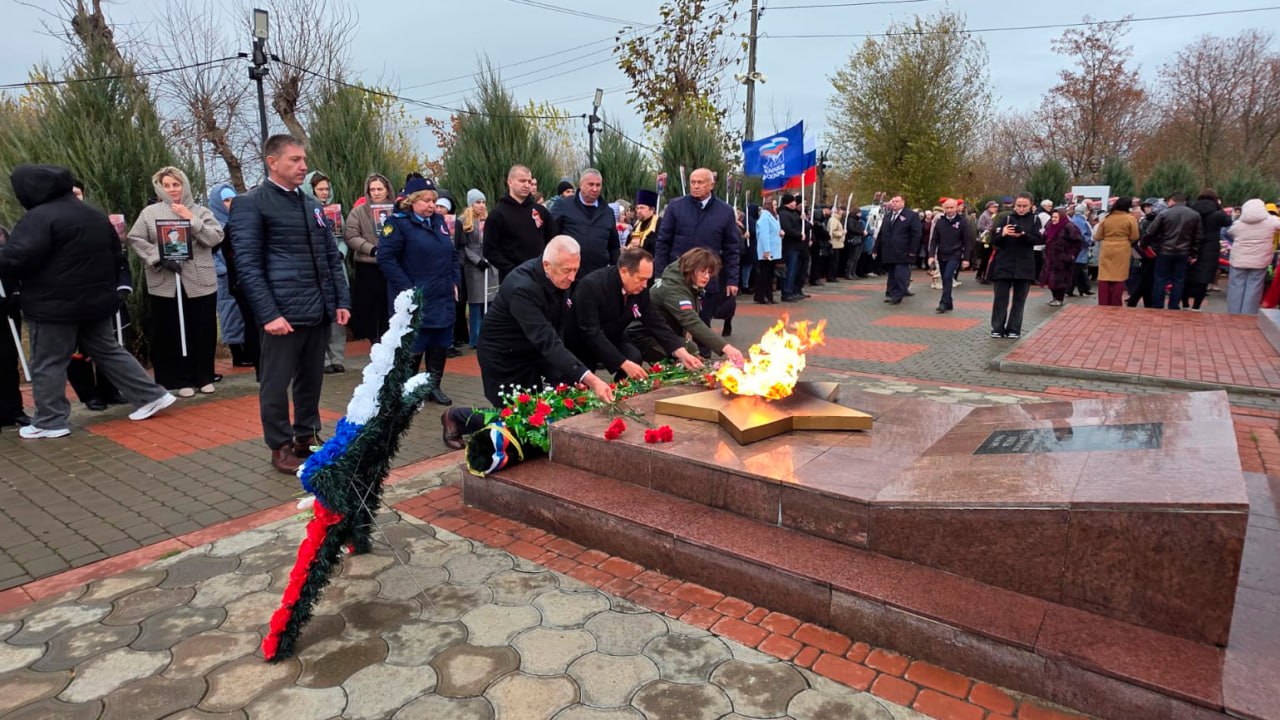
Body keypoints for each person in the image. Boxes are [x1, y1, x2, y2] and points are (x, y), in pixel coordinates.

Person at [0, 164, 176, 438]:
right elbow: (114, 255)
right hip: (97, 302)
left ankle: (50, 421)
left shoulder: (38, 218)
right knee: (108, 350)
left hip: (53, 305)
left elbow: (15, 258)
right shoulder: (93, 214)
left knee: (48, 361)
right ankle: (151, 395)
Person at [229, 135, 351, 474]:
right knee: (275, 381)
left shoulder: (312, 205)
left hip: (317, 309)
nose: (303, 166)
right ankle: (280, 444)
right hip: (281, 313)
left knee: (311, 379)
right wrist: (268, 313)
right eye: (295, 160)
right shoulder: (251, 203)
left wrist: (340, 300)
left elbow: (330, 256)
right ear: (273, 162)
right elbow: (248, 265)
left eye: (303, 159)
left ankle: (307, 436)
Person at [475, 235, 614, 406]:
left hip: (531, 351)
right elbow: (546, 340)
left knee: (541, 410)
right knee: (517, 415)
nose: (572, 277)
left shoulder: (559, 277)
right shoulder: (522, 288)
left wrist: (572, 373)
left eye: (575, 270)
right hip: (504, 356)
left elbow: (557, 330)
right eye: (566, 271)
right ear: (547, 265)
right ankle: (458, 417)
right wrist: (590, 379)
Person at [127, 166, 223, 398]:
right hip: (166, 280)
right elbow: (135, 238)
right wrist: (158, 256)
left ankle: (203, 376)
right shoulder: (150, 213)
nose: (172, 190)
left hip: (199, 279)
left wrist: (191, 220)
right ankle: (177, 378)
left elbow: (215, 236)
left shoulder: (200, 211)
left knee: (202, 328)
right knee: (171, 330)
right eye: (167, 185)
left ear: (185, 185)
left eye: (176, 184)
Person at [569, 247, 703, 380]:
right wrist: (623, 363)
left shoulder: (639, 288)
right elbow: (591, 332)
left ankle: (620, 393)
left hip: (612, 336)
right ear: (624, 271)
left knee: (633, 356)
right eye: (641, 279)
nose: (645, 285)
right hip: (582, 341)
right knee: (583, 382)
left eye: (648, 279)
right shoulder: (592, 286)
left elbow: (655, 322)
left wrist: (681, 352)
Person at [377, 188, 457, 406]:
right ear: (412, 201)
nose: (432, 205)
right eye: (426, 200)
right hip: (416, 297)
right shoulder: (398, 224)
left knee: (439, 341)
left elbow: (452, 254)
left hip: (442, 295)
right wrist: (408, 289)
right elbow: (386, 258)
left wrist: (455, 281)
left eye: (434, 201)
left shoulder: (439, 222)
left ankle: (433, 386)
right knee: (415, 343)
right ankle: (409, 387)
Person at [652, 167, 741, 336]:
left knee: (702, 325)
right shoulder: (676, 207)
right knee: (674, 325)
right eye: (692, 182)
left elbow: (732, 249)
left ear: (711, 185)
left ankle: (704, 359)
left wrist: (732, 280)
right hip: (678, 276)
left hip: (708, 278)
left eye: (700, 182)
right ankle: (676, 360)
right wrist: (659, 274)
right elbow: (663, 242)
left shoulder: (725, 211)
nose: (695, 186)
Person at [636, 247, 745, 368]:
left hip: (662, 334)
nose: (707, 276)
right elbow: (691, 321)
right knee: (686, 354)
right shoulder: (674, 289)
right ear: (690, 269)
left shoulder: (684, 281)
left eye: (709, 272)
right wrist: (726, 348)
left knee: (691, 349)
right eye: (703, 271)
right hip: (643, 335)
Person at [303, 171, 349, 373]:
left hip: (336, 265)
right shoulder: (304, 209)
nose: (323, 193)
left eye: (326, 189)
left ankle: (337, 356)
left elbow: (344, 237)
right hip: (316, 267)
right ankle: (321, 359)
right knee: (319, 314)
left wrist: (341, 253)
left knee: (338, 313)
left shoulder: (335, 211)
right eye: (319, 189)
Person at [344, 173, 395, 343]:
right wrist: (372, 249)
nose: (376, 192)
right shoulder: (358, 212)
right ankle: (375, 342)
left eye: (380, 189)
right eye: (372, 189)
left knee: (391, 307)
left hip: (392, 265)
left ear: (387, 190)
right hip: (369, 265)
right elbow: (351, 235)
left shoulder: (397, 211)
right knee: (371, 309)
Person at [484, 165, 556, 281]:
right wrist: (511, 269)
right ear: (510, 182)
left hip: (541, 276)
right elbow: (490, 250)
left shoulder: (541, 211)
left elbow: (553, 240)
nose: (527, 185)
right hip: (513, 279)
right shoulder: (497, 214)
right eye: (522, 181)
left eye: (529, 181)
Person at [209, 183, 253, 368]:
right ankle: (237, 353)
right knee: (229, 314)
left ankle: (249, 351)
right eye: (226, 200)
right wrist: (221, 268)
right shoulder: (213, 223)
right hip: (223, 277)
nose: (230, 204)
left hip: (241, 275)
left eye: (232, 199)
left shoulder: (240, 221)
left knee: (244, 314)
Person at [988, 192, 1042, 339]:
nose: (1021, 208)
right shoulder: (1006, 218)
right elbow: (994, 239)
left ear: (1031, 205)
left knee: (1019, 299)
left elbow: (1039, 239)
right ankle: (997, 327)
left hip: (1025, 265)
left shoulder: (1035, 220)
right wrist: (1003, 233)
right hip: (1004, 264)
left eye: (1025, 206)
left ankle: (1014, 328)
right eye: (1019, 205)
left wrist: (1023, 235)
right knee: (1000, 298)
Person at [551, 168, 620, 278]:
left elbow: (614, 246)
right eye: (591, 184)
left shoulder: (607, 212)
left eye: (598, 185)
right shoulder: (563, 206)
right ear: (581, 184)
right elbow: (550, 237)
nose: (594, 189)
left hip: (598, 276)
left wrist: (616, 272)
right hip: (568, 275)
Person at [1142, 192, 1202, 310]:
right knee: (1179, 280)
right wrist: (1194, 253)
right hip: (1183, 252)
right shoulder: (1195, 215)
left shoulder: (1164, 214)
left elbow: (1151, 232)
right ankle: (1174, 305)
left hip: (1164, 251)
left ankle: (1158, 304)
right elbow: (1198, 236)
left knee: (1160, 279)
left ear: (1172, 201)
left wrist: (1144, 246)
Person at [1225, 198, 1280, 315]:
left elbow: (1229, 232)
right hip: (1260, 261)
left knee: (1236, 286)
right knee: (1254, 288)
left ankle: (1233, 313)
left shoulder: (1238, 224)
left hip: (1239, 260)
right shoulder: (1272, 221)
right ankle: (1248, 315)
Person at [457, 189, 497, 348]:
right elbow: (463, 246)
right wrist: (476, 260)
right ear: (470, 204)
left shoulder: (489, 220)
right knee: (476, 303)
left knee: (492, 300)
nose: (481, 206)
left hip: (490, 263)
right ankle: (476, 337)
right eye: (477, 202)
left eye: (483, 202)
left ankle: (492, 335)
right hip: (474, 267)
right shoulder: (463, 222)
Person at [0, 225, 30, 429]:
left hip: (8, 314)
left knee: (8, 361)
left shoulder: (9, 251)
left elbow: (22, 276)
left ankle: (14, 410)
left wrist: (17, 296)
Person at [872, 194, 922, 304]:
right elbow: (881, 233)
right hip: (889, 251)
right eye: (893, 201)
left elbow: (916, 234)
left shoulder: (911, 216)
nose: (894, 203)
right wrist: (876, 247)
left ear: (903, 202)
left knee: (901, 274)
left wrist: (913, 250)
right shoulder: (888, 216)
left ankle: (898, 294)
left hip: (903, 251)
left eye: (897, 201)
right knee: (892, 274)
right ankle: (890, 293)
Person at [1187, 189, 1231, 311]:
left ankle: (1185, 303)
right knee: (1204, 277)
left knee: (1187, 275)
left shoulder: (1191, 209)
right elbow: (1229, 222)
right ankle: (1196, 306)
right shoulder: (1218, 213)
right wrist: (1220, 207)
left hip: (1191, 244)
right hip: (1210, 247)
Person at [1095, 197, 1140, 306]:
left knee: (1104, 276)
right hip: (1122, 248)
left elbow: (1097, 236)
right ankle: (1115, 303)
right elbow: (1135, 236)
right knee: (1119, 277)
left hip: (1107, 248)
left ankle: (1103, 302)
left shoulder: (1107, 218)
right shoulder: (1130, 219)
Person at [927, 198, 970, 313]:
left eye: (952, 207)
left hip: (955, 254)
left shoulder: (962, 222)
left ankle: (943, 303)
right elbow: (934, 240)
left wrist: (966, 258)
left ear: (956, 208)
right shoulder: (940, 222)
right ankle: (949, 302)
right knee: (945, 278)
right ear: (943, 208)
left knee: (947, 277)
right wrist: (931, 255)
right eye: (947, 208)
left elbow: (967, 241)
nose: (949, 210)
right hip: (942, 254)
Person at [1041, 208, 1084, 307]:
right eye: (1052, 217)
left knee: (1060, 281)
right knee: (1050, 280)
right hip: (1050, 258)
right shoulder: (1049, 226)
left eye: (1056, 217)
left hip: (1063, 259)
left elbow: (1078, 242)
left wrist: (1071, 255)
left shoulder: (1069, 227)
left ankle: (1059, 299)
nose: (1053, 219)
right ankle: (1054, 298)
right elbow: (1044, 238)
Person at [778, 194, 806, 302]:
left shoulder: (795, 213)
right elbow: (788, 229)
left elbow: (803, 226)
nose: (795, 203)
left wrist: (802, 219)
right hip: (790, 246)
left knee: (795, 270)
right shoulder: (784, 214)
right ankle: (786, 292)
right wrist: (799, 235)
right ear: (788, 202)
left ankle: (792, 290)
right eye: (793, 201)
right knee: (790, 270)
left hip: (797, 246)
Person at [755, 196, 781, 304]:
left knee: (770, 274)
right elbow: (764, 234)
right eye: (774, 205)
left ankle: (769, 295)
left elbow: (774, 231)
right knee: (764, 274)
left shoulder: (774, 216)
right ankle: (761, 295)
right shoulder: (765, 216)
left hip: (774, 250)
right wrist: (766, 250)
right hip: (768, 250)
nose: (776, 207)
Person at [974, 200, 999, 283]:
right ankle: (981, 275)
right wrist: (988, 229)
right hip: (985, 240)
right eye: (994, 207)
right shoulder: (984, 215)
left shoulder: (995, 216)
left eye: (996, 207)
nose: (996, 209)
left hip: (992, 239)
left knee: (989, 257)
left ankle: (985, 274)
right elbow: (979, 227)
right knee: (985, 257)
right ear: (988, 207)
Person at [629, 190, 659, 254]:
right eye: (637, 208)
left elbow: (658, 246)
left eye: (642, 208)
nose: (639, 211)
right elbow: (629, 241)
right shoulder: (637, 224)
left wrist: (641, 244)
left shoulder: (659, 223)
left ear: (652, 209)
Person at [826, 206, 846, 283]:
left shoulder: (837, 219)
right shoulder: (834, 220)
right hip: (834, 243)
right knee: (833, 261)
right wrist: (841, 233)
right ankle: (831, 276)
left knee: (835, 261)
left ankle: (833, 275)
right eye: (840, 210)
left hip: (837, 243)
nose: (842, 212)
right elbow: (832, 232)